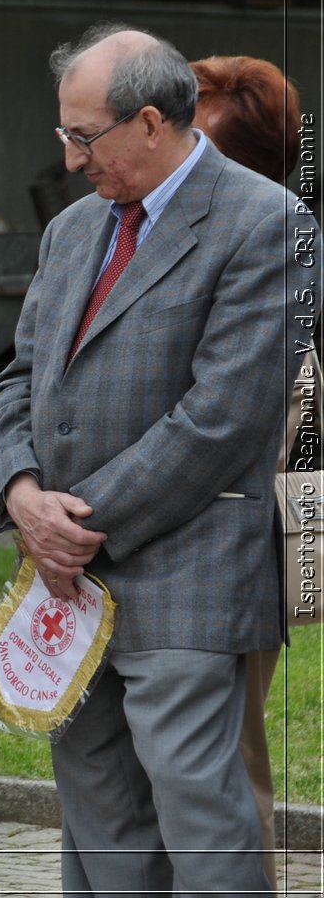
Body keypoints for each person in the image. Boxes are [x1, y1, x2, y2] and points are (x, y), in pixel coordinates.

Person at [0, 24, 316, 894]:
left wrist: (72, 523)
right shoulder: (71, 231)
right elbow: (17, 381)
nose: (68, 156)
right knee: (97, 814)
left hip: (188, 578)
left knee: (199, 814)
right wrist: (22, 494)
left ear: (154, 123)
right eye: (65, 131)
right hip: (67, 579)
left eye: (83, 136)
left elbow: (220, 421)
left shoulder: (268, 223)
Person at [189, 53, 304, 889]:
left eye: (192, 136)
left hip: (230, 552)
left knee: (229, 765)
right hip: (154, 549)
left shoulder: (278, 245)